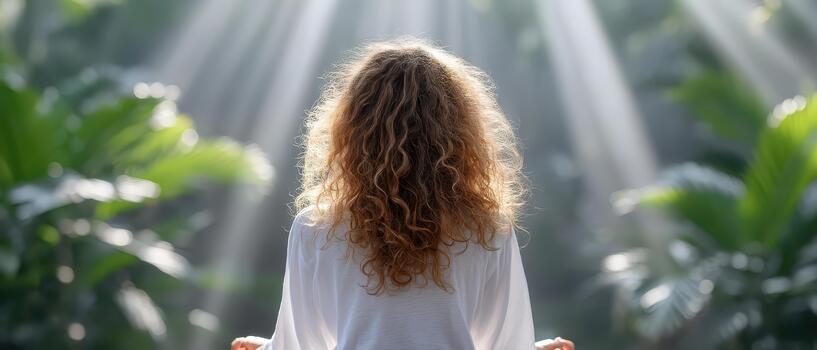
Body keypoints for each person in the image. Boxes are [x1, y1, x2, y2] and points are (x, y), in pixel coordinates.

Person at [231, 38, 575, 350]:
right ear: (458, 130)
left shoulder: (315, 227)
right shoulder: (487, 228)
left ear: (351, 127)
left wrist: (264, 348)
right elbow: (503, 343)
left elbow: (302, 344)